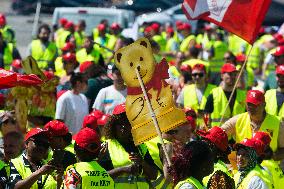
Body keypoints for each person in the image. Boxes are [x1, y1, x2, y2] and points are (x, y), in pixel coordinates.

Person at [99, 103, 158, 188]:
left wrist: (142, 163)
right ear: (113, 125)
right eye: (120, 123)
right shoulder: (106, 147)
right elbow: (99, 178)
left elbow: (153, 175)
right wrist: (122, 170)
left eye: (127, 123)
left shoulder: (141, 146)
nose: (123, 127)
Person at [221, 90, 284, 160]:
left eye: (255, 104)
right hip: (243, 168)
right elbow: (221, 132)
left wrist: (272, 156)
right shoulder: (238, 120)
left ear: (264, 105)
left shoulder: (278, 123)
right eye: (248, 104)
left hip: (267, 169)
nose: (251, 107)